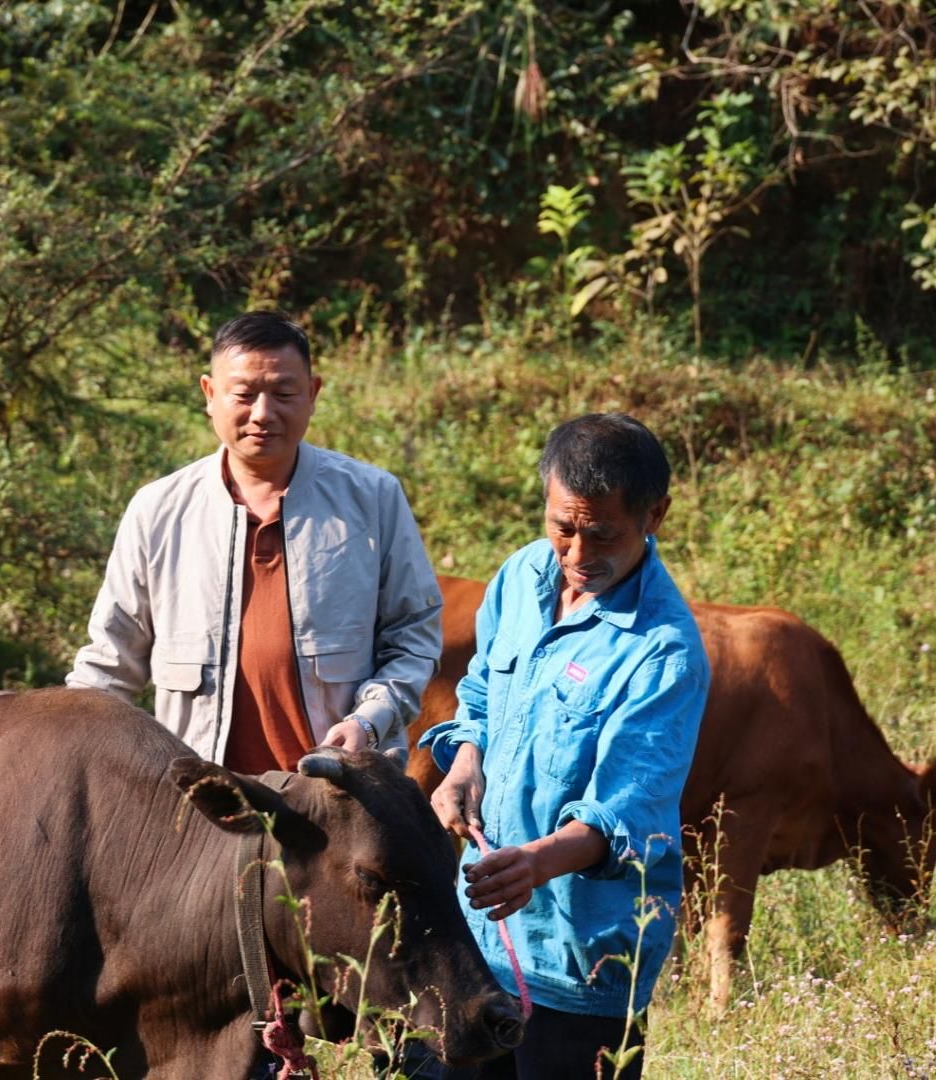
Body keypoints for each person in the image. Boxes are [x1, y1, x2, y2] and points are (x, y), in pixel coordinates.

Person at [419, 413, 710, 1080]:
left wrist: (536, 863)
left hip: (580, 962)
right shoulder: (522, 576)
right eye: (563, 527)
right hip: (480, 935)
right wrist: (466, 762)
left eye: (602, 533)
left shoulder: (663, 654)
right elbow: (484, 692)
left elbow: (627, 815)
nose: (578, 554)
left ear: (654, 514)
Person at [66, 311, 442, 772]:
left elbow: (414, 636)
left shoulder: (372, 499)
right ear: (209, 394)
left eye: (284, 394)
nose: (263, 414)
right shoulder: (158, 510)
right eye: (244, 395)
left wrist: (368, 722)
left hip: (343, 792)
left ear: (313, 394)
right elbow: (108, 663)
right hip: (205, 799)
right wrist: (65, 746)